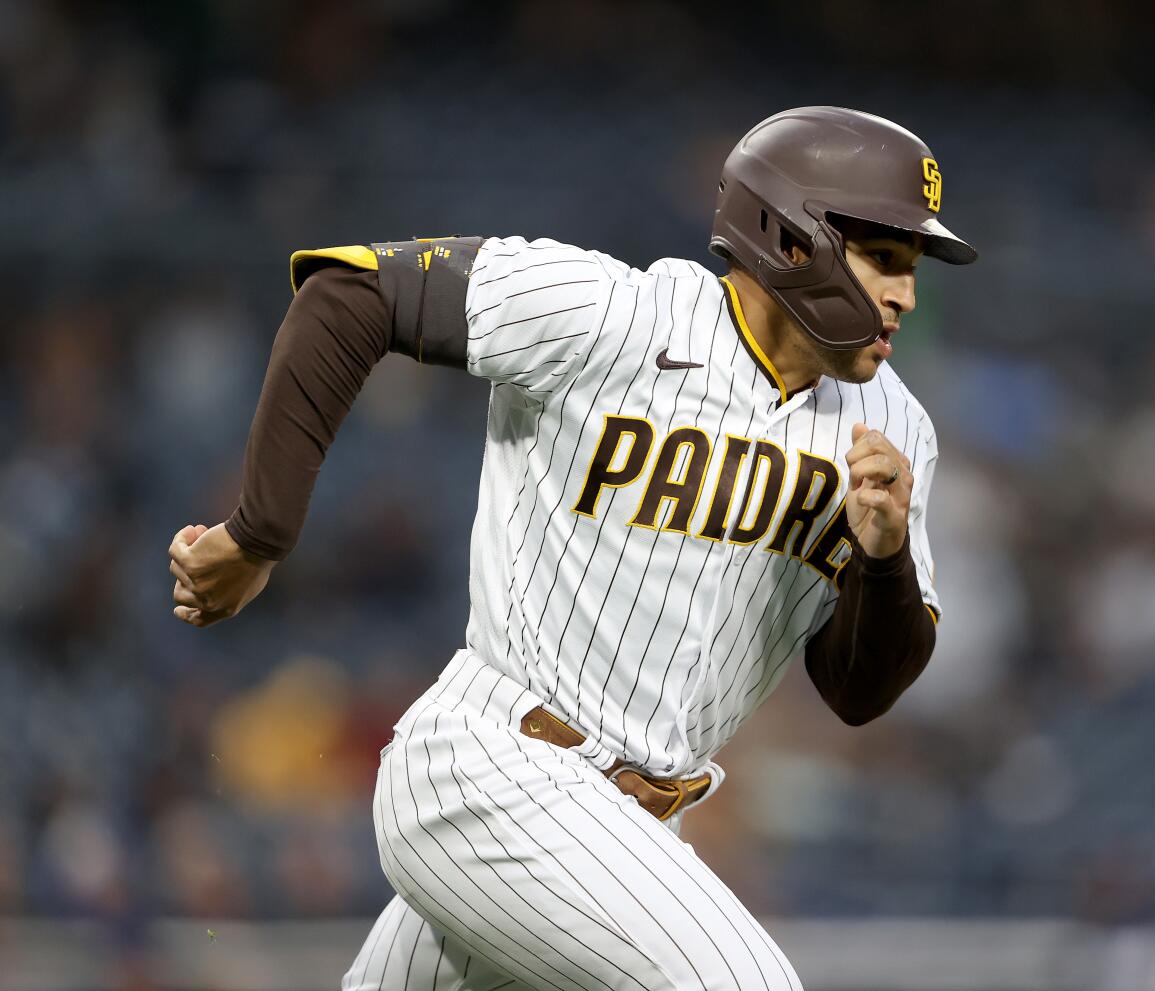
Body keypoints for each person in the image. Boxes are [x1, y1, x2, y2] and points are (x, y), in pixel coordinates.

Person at [168, 106, 976, 991]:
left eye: (911, 265)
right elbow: (351, 295)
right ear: (793, 238)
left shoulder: (896, 428)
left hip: (625, 833)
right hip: (493, 765)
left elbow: (859, 690)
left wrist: (884, 559)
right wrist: (259, 534)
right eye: (886, 256)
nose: (905, 291)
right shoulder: (617, 313)